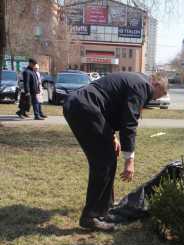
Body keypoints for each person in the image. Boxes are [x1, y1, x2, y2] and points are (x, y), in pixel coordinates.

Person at [63, 72, 168, 231]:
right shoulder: (143, 86)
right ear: (157, 85)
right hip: (85, 107)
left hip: (79, 105)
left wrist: (112, 137)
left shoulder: (136, 81)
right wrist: (129, 160)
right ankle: (91, 217)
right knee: (103, 161)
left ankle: (104, 208)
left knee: (107, 157)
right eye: (157, 96)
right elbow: (129, 123)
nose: (153, 100)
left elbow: (110, 105)